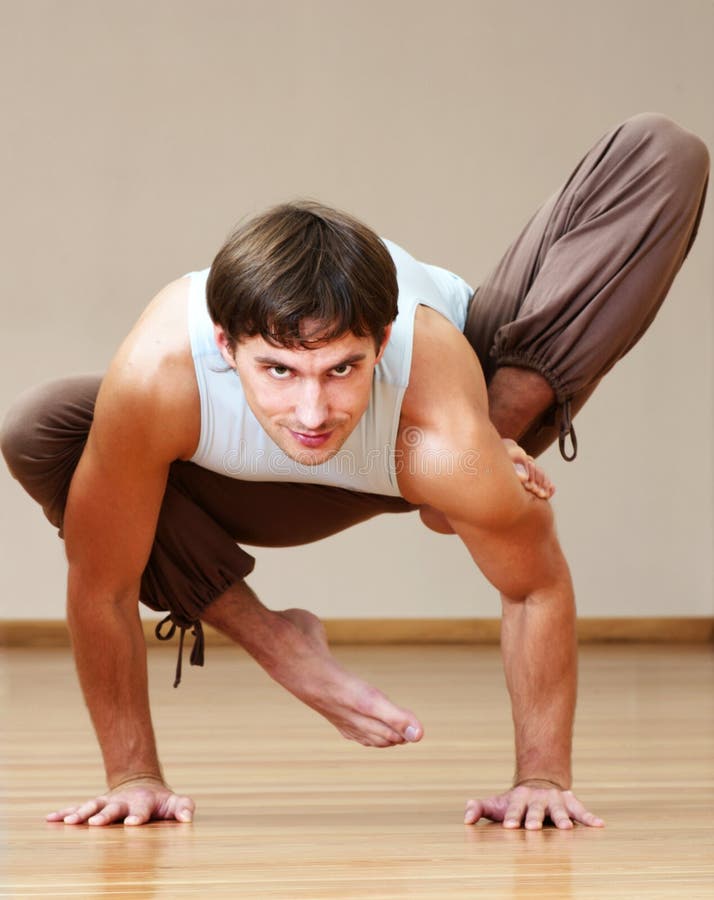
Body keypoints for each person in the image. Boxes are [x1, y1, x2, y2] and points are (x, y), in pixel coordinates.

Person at [1, 113, 708, 831]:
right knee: (40, 426)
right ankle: (280, 639)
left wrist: (543, 777)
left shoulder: (441, 432)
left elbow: (535, 586)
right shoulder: (158, 378)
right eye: (278, 370)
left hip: (420, 443)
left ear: (384, 340)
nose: (312, 408)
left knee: (664, 150)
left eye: (343, 368)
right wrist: (134, 776)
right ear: (223, 344)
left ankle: (500, 426)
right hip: (254, 484)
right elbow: (103, 587)